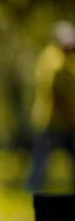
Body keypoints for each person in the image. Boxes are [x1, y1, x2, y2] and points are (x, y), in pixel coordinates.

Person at [27, 20, 75, 192]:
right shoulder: (54, 60)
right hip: (52, 120)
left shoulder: (61, 58)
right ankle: (31, 189)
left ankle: (32, 188)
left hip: (61, 121)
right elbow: (60, 89)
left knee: (41, 158)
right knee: (40, 159)